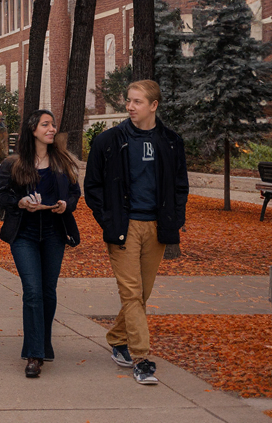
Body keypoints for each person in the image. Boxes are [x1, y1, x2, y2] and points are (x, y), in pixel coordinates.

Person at [84, 80, 188, 386]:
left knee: (141, 293)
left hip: (156, 227)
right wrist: (110, 221)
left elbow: (180, 186)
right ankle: (141, 358)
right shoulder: (109, 141)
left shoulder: (171, 141)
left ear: (153, 105)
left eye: (137, 102)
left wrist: (175, 219)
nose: (130, 106)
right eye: (128, 101)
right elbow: (92, 187)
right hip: (124, 228)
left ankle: (117, 337)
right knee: (131, 293)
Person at [0, 110, 81, 379]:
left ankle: (43, 344)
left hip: (55, 233)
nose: (52, 129)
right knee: (32, 290)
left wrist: (66, 205)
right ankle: (33, 354)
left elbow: (74, 193)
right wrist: (20, 203)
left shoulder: (63, 161)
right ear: (33, 130)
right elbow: (1, 197)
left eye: (53, 124)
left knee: (48, 291)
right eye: (46, 124)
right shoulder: (14, 164)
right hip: (25, 234)